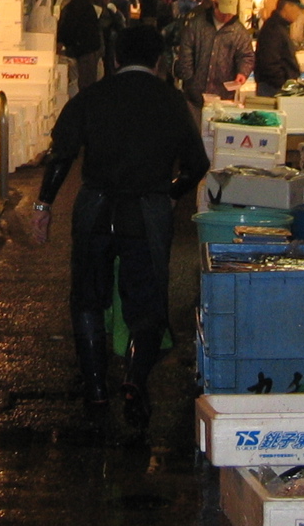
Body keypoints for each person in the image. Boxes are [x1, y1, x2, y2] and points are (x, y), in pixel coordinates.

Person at [28, 25, 208, 428]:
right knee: (146, 304)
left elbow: (61, 154)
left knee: (87, 300)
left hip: (95, 207)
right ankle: (134, 379)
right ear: (159, 62)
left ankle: (94, 389)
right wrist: (171, 193)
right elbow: (198, 164)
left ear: (112, 60)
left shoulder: (92, 96)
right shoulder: (170, 99)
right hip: (146, 210)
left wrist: (43, 204)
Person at [174, 0, 255, 120]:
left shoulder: (239, 32)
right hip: (195, 95)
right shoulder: (197, 25)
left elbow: (246, 55)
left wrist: (243, 72)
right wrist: (189, 77)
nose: (226, 16)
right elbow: (186, 51)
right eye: (223, 12)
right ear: (214, 5)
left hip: (224, 96)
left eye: (230, 13)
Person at [55, 0, 102, 93]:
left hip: (83, 48)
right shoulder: (88, 3)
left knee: (84, 82)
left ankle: (85, 105)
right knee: (90, 80)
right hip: (91, 47)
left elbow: (68, 26)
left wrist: (61, 42)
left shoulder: (74, 6)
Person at [255, 0, 304, 96]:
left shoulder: (279, 27)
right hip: (273, 89)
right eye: (298, 8)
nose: (299, 13)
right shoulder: (273, 29)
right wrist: (284, 84)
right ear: (287, 6)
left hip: (276, 88)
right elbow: (269, 63)